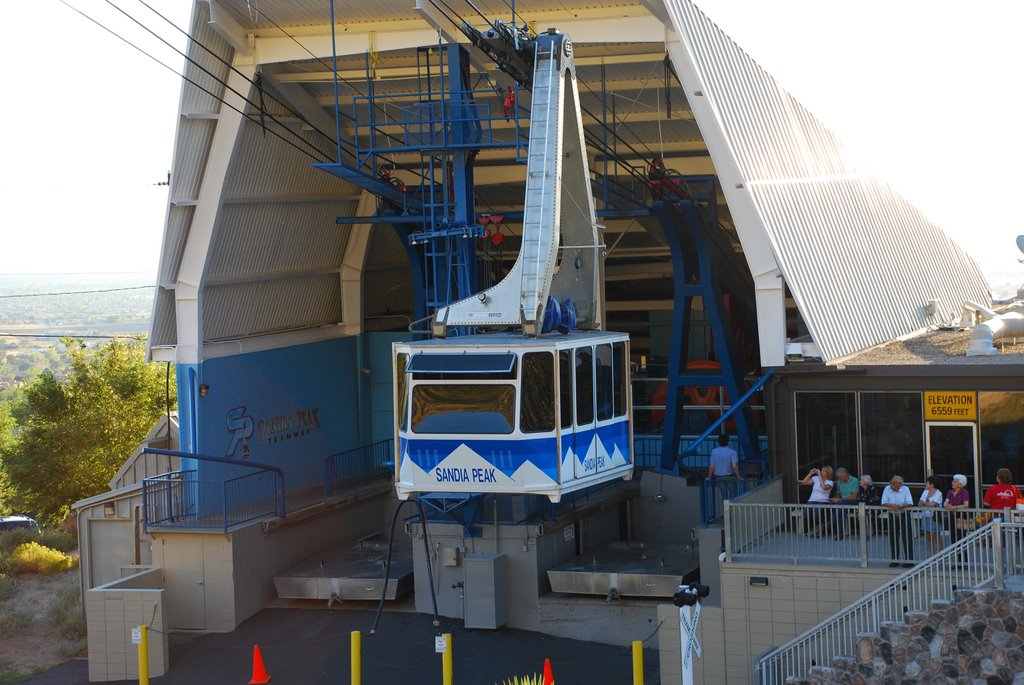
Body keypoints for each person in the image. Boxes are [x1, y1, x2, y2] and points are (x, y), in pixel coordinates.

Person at [881, 475, 914, 567]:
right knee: (893, 537)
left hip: (904, 514)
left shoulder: (905, 489)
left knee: (907, 537)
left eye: (892, 484)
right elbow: (883, 502)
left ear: (899, 484)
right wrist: (892, 506)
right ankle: (895, 559)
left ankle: (909, 560)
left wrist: (900, 506)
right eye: (891, 483)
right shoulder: (887, 488)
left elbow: (910, 502)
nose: (890, 485)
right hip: (892, 514)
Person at [801, 466, 833, 536]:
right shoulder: (816, 478)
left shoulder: (830, 482)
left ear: (827, 473)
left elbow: (824, 487)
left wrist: (820, 477)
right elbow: (804, 482)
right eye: (821, 470)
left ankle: (817, 531)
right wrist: (810, 473)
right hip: (811, 500)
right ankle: (807, 531)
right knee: (806, 514)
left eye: (823, 471)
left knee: (816, 514)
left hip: (823, 502)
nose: (821, 472)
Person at [829, 467, 860, 539]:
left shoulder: (854, 481)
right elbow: (839, 493)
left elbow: (854, 497)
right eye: (838, 478)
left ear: (846, 475)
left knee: (842, 504)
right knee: (842, 509)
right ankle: (840, 532)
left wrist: (840, 499)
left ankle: (831, 520)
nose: (840, 479)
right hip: (843, 503)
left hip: (854, 502)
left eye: (841, 477)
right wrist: (835, 498)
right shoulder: (839, 482)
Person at [918, 476, 943, 556]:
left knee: (936, 536)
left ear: (932, 484)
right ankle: (932, 554)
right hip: (925, 515)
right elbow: (919, 503)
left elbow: (933, 504)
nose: (926, 484)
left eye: (927, 482)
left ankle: (941, 554)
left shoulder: (938, 493)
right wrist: (927, 504)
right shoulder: (925, 492)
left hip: (934, 517)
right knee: (928, 536)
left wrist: (924, 503)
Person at [944, 474, 970, 547]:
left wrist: (954, 507)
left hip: (961, 516)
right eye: (953, 481)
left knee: (961, 537)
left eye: (954, 482)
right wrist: (948, 506)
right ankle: (955, 556)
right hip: (952, 516)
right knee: (953, 537)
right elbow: (945, 503)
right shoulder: (950, 492)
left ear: (960, 484)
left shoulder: (964, 492)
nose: (952, 483)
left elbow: (966, 505)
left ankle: (963, 557)